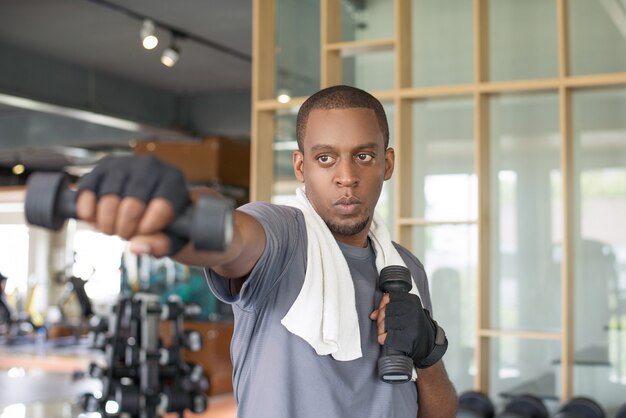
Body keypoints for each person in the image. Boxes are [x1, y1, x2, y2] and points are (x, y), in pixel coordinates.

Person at [74, 85, 458, 417]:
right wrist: (180, 211)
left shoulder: (406, 268)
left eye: (363, 156)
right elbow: (234, 236)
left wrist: (429, 350)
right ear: (300, 166)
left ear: (386, 164)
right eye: (325, 158)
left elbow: (440, 413)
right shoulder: (285, 237)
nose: (346, 176)